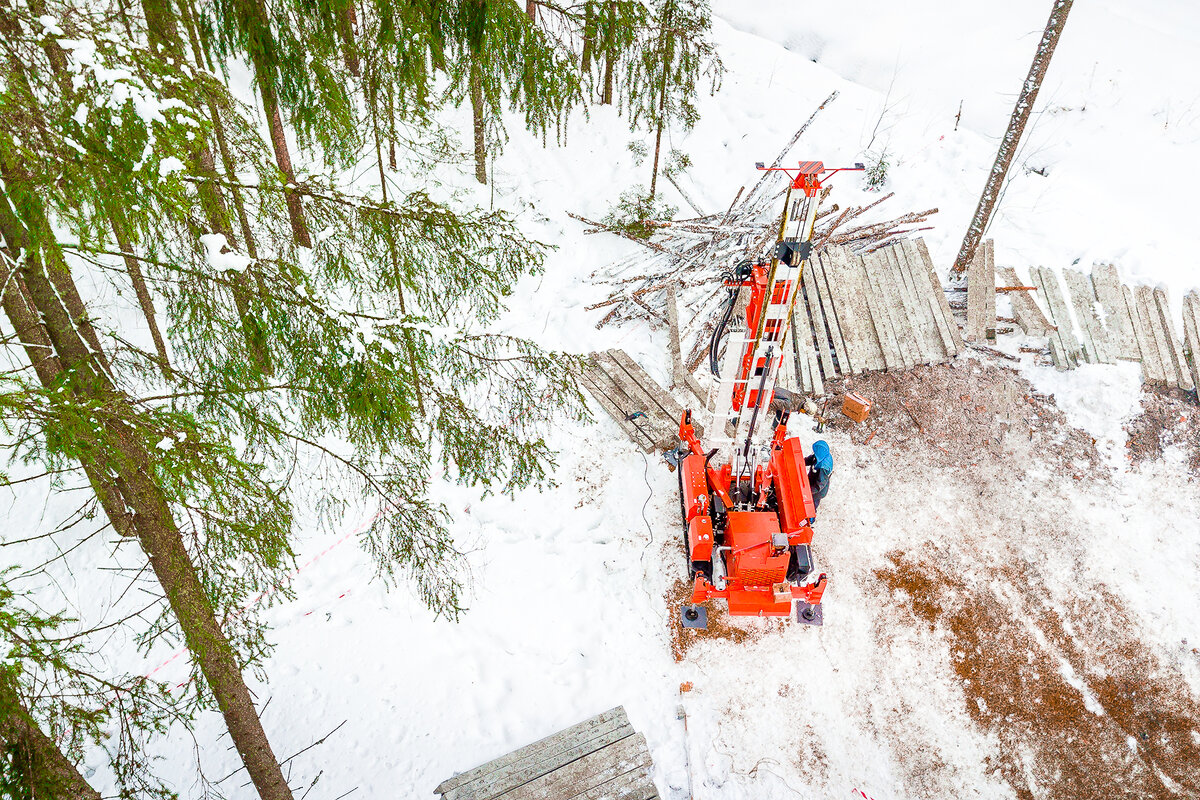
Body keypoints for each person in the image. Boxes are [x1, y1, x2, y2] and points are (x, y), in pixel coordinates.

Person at [804, 440, 833, 509]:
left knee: (812, 506)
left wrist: (807, 492)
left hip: (818, 491)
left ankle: (811, 519)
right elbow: (810, 460)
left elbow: (819, 485)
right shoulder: (821, 455)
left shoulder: (824, 467)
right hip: (813, 480)